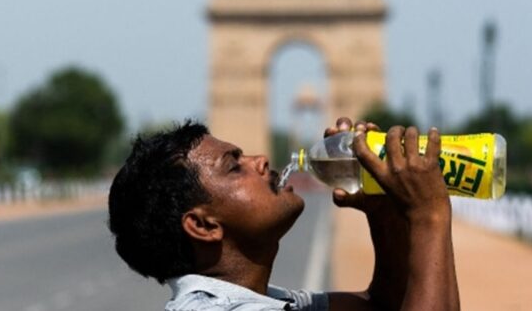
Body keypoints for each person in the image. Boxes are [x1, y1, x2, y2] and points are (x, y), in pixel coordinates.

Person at [108, 117, 460, 310]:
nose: (260, 160)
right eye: (234, 167)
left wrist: (384, 215)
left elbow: (383, 308)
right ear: (203, 225)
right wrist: (428, 217)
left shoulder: (265, 301)